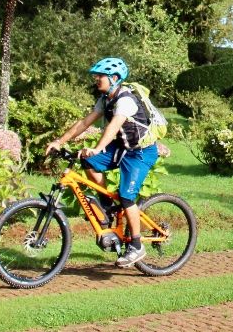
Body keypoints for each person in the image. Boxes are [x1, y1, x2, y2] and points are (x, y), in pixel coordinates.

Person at [45, 57, 159, 267]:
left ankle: (136, 245)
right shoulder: (106, 98)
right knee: (90, 163)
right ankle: (106, 207)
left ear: (114, 78)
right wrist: (59, 142)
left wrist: (97, 148)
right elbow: (84, 122)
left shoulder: (125, 100)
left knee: (126, 197)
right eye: (96, 76)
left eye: (100, 76)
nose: (96, 79)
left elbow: (113, 128)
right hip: (122, 147)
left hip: (140, 152)